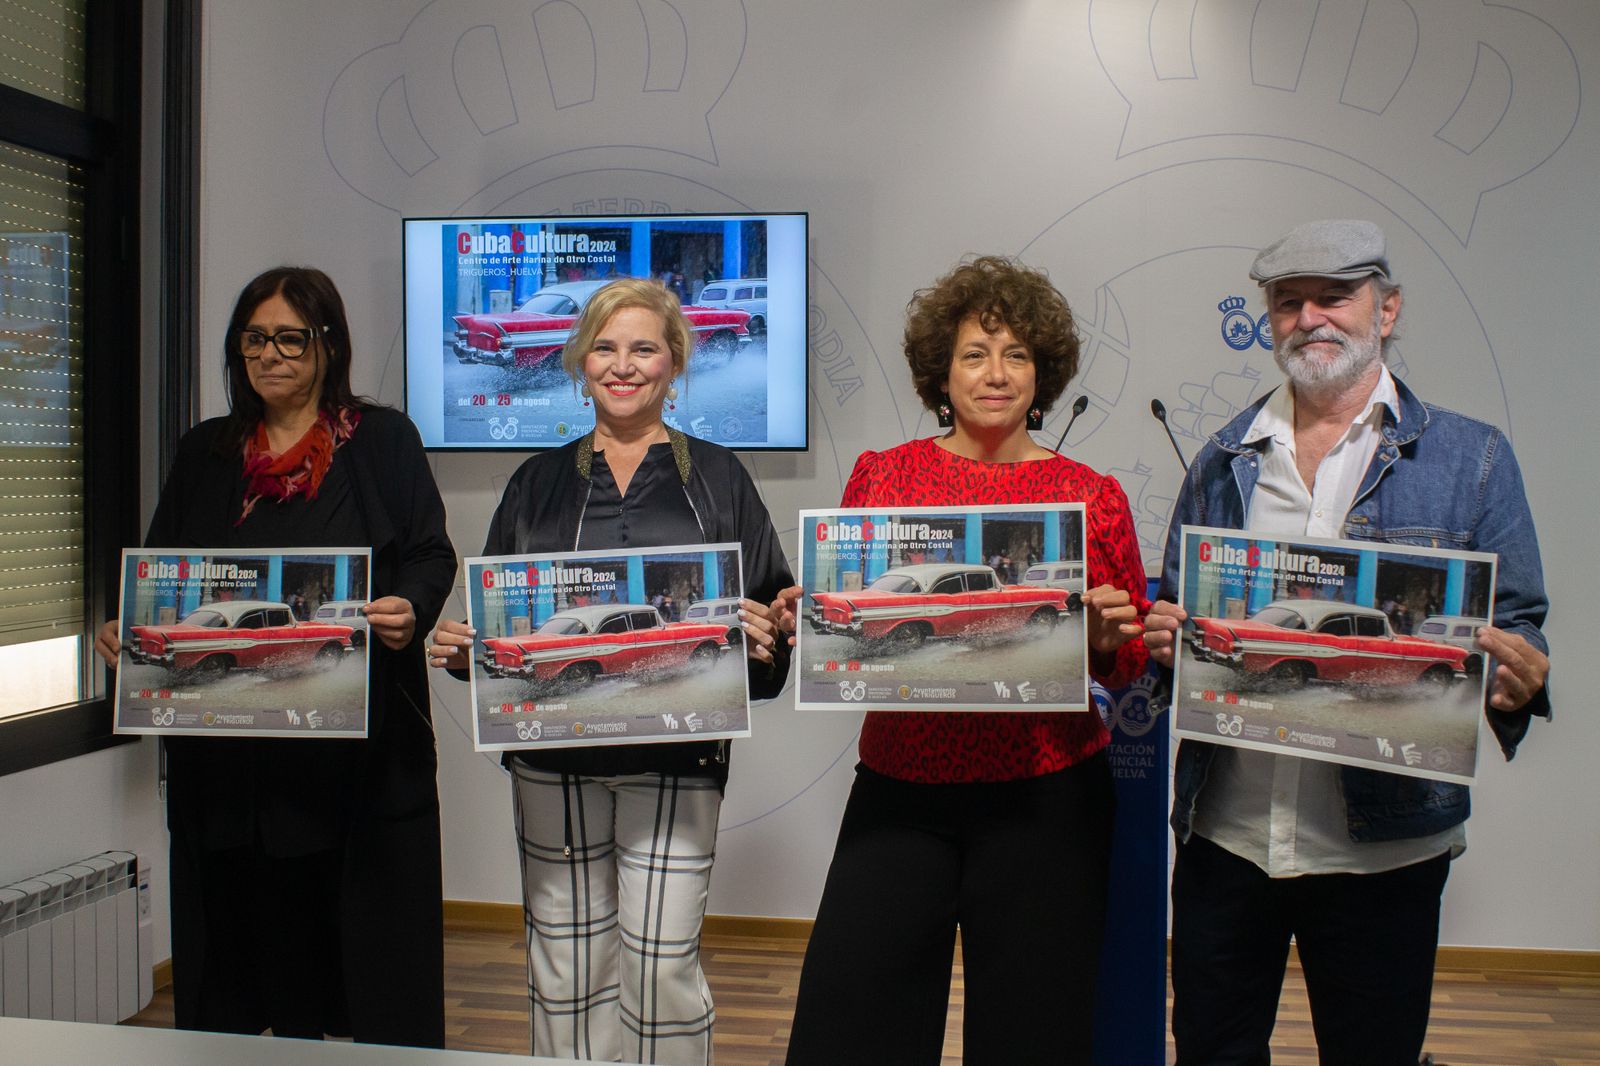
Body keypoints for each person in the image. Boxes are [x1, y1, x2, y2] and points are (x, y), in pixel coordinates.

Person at [1141, 220, 1552, 1065]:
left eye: (1335, 296)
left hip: (1387, 852)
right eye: (1288, 302)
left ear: (1387, 309)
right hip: (1230, 835)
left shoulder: (1471, 457)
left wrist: (1516, 681)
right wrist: (1169, 635)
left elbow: (1515, 624)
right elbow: (1184, 611)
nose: (1310, 317)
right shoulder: (1223, 459)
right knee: (1212, 1052)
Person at [784, 255, 1150, 1065]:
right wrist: (808, 614)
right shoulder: (884, 477)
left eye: (1017, 355)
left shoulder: (1091, 494)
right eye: (975, 354)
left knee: (1034, 1031)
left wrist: (1106, 642)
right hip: (902, 788)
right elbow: (845, 621)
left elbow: (1126, 670)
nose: (995, 373)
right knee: (853, 1023)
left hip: (1047, 798)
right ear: (939, 373)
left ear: (1042, 373)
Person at [427, 277, 794, 1065]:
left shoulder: (721, 479)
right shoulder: (534, 482)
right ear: (577, 360)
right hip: (552, 766)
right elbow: (501, 636)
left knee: (662, 966)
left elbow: (769, 628)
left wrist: (771, 633)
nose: (622, 365)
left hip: (679, 758)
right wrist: (466, 653)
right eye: (604, 347)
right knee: (565, 972)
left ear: (674, 362)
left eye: (643, 348)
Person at [93, 266, 457, 1046]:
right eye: (254, 339)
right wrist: (127, 628)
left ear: (329, 345)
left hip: (357, 761)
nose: (272, 355)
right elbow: (161, 575)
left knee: (366, 962)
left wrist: (410, 610)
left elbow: (431, 554)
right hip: (232, 768)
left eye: (292, 337)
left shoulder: (382, 439)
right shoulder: (207, 452)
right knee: (243, 953)